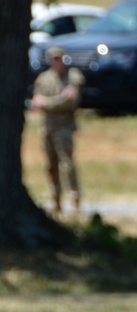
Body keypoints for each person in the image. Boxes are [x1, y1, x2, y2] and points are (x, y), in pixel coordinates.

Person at [31, 44, 85, 213]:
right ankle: (56, 199)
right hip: (47, 127)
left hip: (64, 127)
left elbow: (70, 100)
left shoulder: (72, 76)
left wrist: (48, 103)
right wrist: (57, 100)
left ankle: (74, 198)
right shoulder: (44, 78)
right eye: (54, 59)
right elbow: (36, 101)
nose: (57, 62)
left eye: (59, 58)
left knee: (66, 163)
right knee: (50, 164)